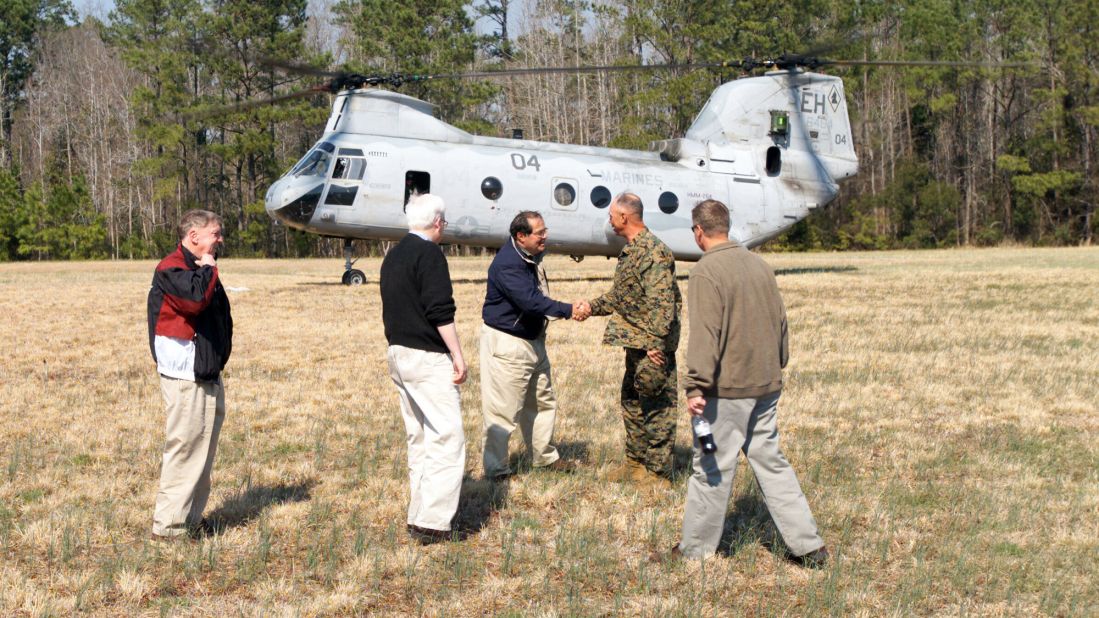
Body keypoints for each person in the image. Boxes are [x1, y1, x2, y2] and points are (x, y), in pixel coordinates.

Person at [671, 199, 827, 566]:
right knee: (772, 464)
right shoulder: (760, 265)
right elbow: (781, 321)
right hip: (766, 384)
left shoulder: (706, 271)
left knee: (710, 467)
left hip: (726, 391)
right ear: (726, 226)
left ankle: (694, 551)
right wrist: (779, 362)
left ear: (698, 232)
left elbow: (706, 335)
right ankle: (810, 547)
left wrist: (696, 385)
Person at [380, 193, 468, 545]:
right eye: (443, 221)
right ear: (437, 222)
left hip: (398, 353)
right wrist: (457, 354)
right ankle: (432, 522)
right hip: (426, 356)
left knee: (419, 436)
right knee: (447, 436)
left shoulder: (394, 254)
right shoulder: (430, 254)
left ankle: (419, 512)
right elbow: (439, 310)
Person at [580, 191, 681, 486]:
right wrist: (592, 307)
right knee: (633, 403)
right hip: (635, 343)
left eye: (611, 215)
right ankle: (635, 464)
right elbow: (621, 296)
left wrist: (656, 344)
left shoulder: (653, 252)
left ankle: (659, 474)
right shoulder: (633, 250)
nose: (609, 220)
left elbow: (662, 303)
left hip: (650, 347)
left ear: (624, 217)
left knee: (658, 408)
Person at [147, 209, 233, 540]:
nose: (220, 239)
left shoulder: (196, 267)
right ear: (194, 236)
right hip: (186, 375)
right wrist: (209, 266)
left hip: (205, 370)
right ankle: (169, 526)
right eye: (216, 233)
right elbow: (195, 300)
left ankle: (191, 519)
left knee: (203, 447)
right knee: (185, 446)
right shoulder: (172, 267)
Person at [480, 211, 585, 480]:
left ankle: (544, 458)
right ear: (521, 236)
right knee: (503, 410)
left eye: (544, 230)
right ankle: (497, 470)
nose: (545, 236)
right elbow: (532, 302)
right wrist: (570, 309)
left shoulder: (529, 257)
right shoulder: (508, 264)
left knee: (542, 401)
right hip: (509, 345)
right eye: (540, 233)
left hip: (533, 341)